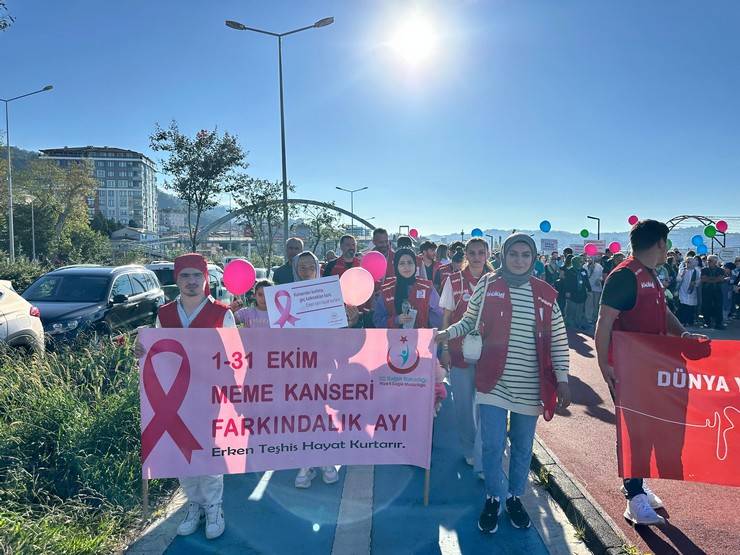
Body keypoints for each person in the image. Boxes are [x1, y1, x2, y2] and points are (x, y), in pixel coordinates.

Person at [436, 233, 571, 534]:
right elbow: (469, 321)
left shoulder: (546, 294)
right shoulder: (488, 283)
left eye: (525, 255)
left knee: (523, 447)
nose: (519, 260)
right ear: (504, 255)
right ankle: (494, 496)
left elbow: (559, 339)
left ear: (533, 259)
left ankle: (514, 496)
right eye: (514, 254)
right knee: (493, 445)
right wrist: (446, 334)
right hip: (493, 382)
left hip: (531, 386)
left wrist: (562, 378)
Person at [595, 219, 707, 527]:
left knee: (650, 427)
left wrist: (682, 334)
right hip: (628, 370)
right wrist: (604, 364)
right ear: (660, 243)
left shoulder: (650, 275)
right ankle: (633, 497)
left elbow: (664, 311)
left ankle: (638, 485)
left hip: (650, 369)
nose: (667, 248)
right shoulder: (624, 276)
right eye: (666, 243)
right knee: (635, 431)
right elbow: (604, 322)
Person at [135, 253, 234, 540]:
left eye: (196, 275)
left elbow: (233, 357)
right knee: (182, 451)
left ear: (206, 278)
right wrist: (141, 350)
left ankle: (214, 506)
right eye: (184, 276)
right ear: (176, 279)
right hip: (173, 397)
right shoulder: (164, 313)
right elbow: (155, 352)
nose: (191, 281)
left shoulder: (221, 312)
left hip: (210, 394)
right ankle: (194, 504)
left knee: (210, 450)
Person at [438, 238, 494, 469]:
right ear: (466, 255)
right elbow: (446, 318)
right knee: (463, 406)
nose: (477, 257)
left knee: (487, 407)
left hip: (489, 355)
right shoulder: (453, 280)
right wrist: (444, 349)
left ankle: (484, 455)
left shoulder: (497, 281)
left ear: (488, 254)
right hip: (459, 353)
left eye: (481, 252)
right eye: (472, 252)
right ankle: (469, 448)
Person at [291, 250, 344, 488]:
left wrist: (349, 318)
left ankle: (327, 460)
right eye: (301, 267)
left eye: (310, 266)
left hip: (324, 365)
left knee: (324, 413)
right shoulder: (285, 297)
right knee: (302, 415)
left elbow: (338, 330)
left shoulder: (328, 295)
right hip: (296, 365)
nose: (305, 271)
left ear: (317, 268)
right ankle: (305, 463)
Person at [373, 248, 443, 329]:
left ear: (415, 265)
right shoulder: (387, 290)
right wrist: (396, 320)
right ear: (396, 266)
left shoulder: (427, 288)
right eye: (402, 263)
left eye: (410, 263)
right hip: (394, 339)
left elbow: (439, 315)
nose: (406, 267)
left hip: (421, 339)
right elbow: (377, 320)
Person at [564, 255, 591, 330]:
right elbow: (567, 282)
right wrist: (567, 291)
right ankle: (570, 324)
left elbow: (586, 281)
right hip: (572, 293)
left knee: (580, 310)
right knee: (571, 309)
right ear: (575, 262)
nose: (581, 263)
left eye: (581, 261)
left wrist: (589, 288)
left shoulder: (583, 271)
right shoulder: (569, 271)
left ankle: (578, 323)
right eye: (579, 261)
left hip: (581, 293)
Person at [700, 254, 725, 329]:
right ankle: (707, 322)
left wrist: (709, 279)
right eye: (708, 260)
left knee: (718, 306)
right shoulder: (704, 270)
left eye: (710, 261)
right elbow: (703, 279)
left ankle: (718, 323)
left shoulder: (721, 270)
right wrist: (715, 279)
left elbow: (721, 279)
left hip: (717, 291)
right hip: (707, 291)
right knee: (707, 306)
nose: (708, 262)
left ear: (715, 262)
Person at [676, 257, 700, 326]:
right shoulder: (682, 270)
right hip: (683, 291)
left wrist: (695, 283)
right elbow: (678, 279)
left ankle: (690, 321)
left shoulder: (697, 271)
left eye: (689, 262)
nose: (687, 264)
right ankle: (683, 321)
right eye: (687, 262)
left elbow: (699, 280)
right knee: (683, 306)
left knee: (691, 307)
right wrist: (682, 275)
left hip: (692, 291)